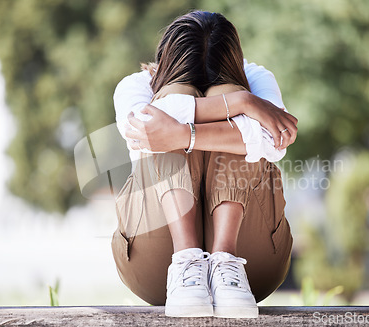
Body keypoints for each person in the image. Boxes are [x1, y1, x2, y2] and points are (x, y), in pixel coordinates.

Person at [111, 11, 298, 318]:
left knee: (224, 95)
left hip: (253, 267)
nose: (203, 85)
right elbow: (146, 127)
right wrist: (243, 105)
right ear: (167, 66)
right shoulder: (136, 85)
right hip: (154, 265)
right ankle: (186, 260)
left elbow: (274, 140)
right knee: (171, 102)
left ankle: (226, 261)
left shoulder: (257, 77)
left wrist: (186, 131)